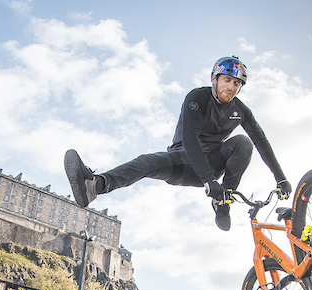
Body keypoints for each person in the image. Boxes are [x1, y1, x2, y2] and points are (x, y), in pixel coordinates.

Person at [64, 55, 292, 231]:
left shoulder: (240, 111)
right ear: (214, 78)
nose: (230, 87)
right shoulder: (197, 99)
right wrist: (209, 180)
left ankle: (223, 202)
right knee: (147, 161)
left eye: (236, 83)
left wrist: (280, 178)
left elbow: (261, 141)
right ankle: (95, 186)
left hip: (212, 166)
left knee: (243, 142)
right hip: (182, 161)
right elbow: (191, 139)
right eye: (226, 80)